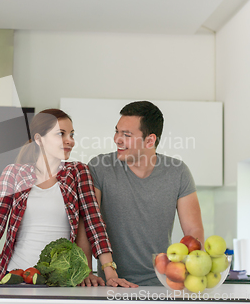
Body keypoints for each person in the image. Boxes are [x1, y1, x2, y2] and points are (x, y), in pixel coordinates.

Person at [0, 109, 137, 288]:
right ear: (39, 139)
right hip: (15, 277)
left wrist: (110, 273)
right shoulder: (13, 173)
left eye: (71, 134)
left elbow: (94, 223)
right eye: (61, 134)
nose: (70, 141)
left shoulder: (78, 172)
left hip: (60, 280)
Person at [77, 101, 204, 286]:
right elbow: (87, 224)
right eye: (117, 131)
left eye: (126, 135)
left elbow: (194, 232)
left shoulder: (178, 172)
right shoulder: (99, 168)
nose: (117, 139)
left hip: (163, 284)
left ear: (150, 140)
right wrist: (86, 272)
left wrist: (191, 273)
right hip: (111, 285)